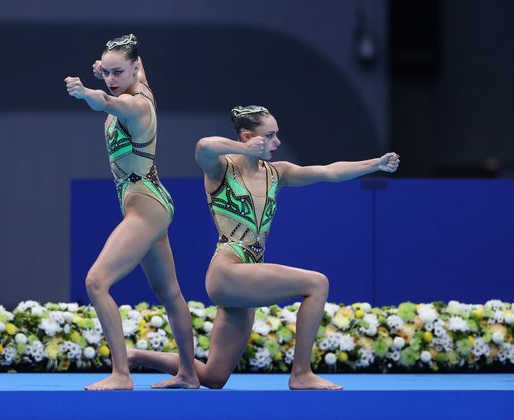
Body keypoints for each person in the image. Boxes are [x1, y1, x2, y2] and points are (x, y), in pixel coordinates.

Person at [128, 105, 400, 389]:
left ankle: (136, 357)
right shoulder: (221, 168)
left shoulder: (276, 173)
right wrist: (244, 149)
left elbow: (328, 172)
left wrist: (375, 164)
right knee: (317, 284)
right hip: (227, 271)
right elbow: (203, 146)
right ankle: (301, 374)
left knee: (214, 377)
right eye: (269, 136)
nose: (277, 142)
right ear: (248, 137)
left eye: (276, 135)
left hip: (246, 276)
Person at [64, 34, 199, 390]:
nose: (110, 79)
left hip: (144, 205)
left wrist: (87, 92)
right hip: (150, 200)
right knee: (169, 293)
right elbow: (120, 79)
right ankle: (187, 373)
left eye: (117, 72)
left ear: (136, 68)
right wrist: (110, 67)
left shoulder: (136, 104)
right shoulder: (140, 84)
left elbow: (105, 102)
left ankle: (121, 374)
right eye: (106, 72)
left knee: (96, 282)